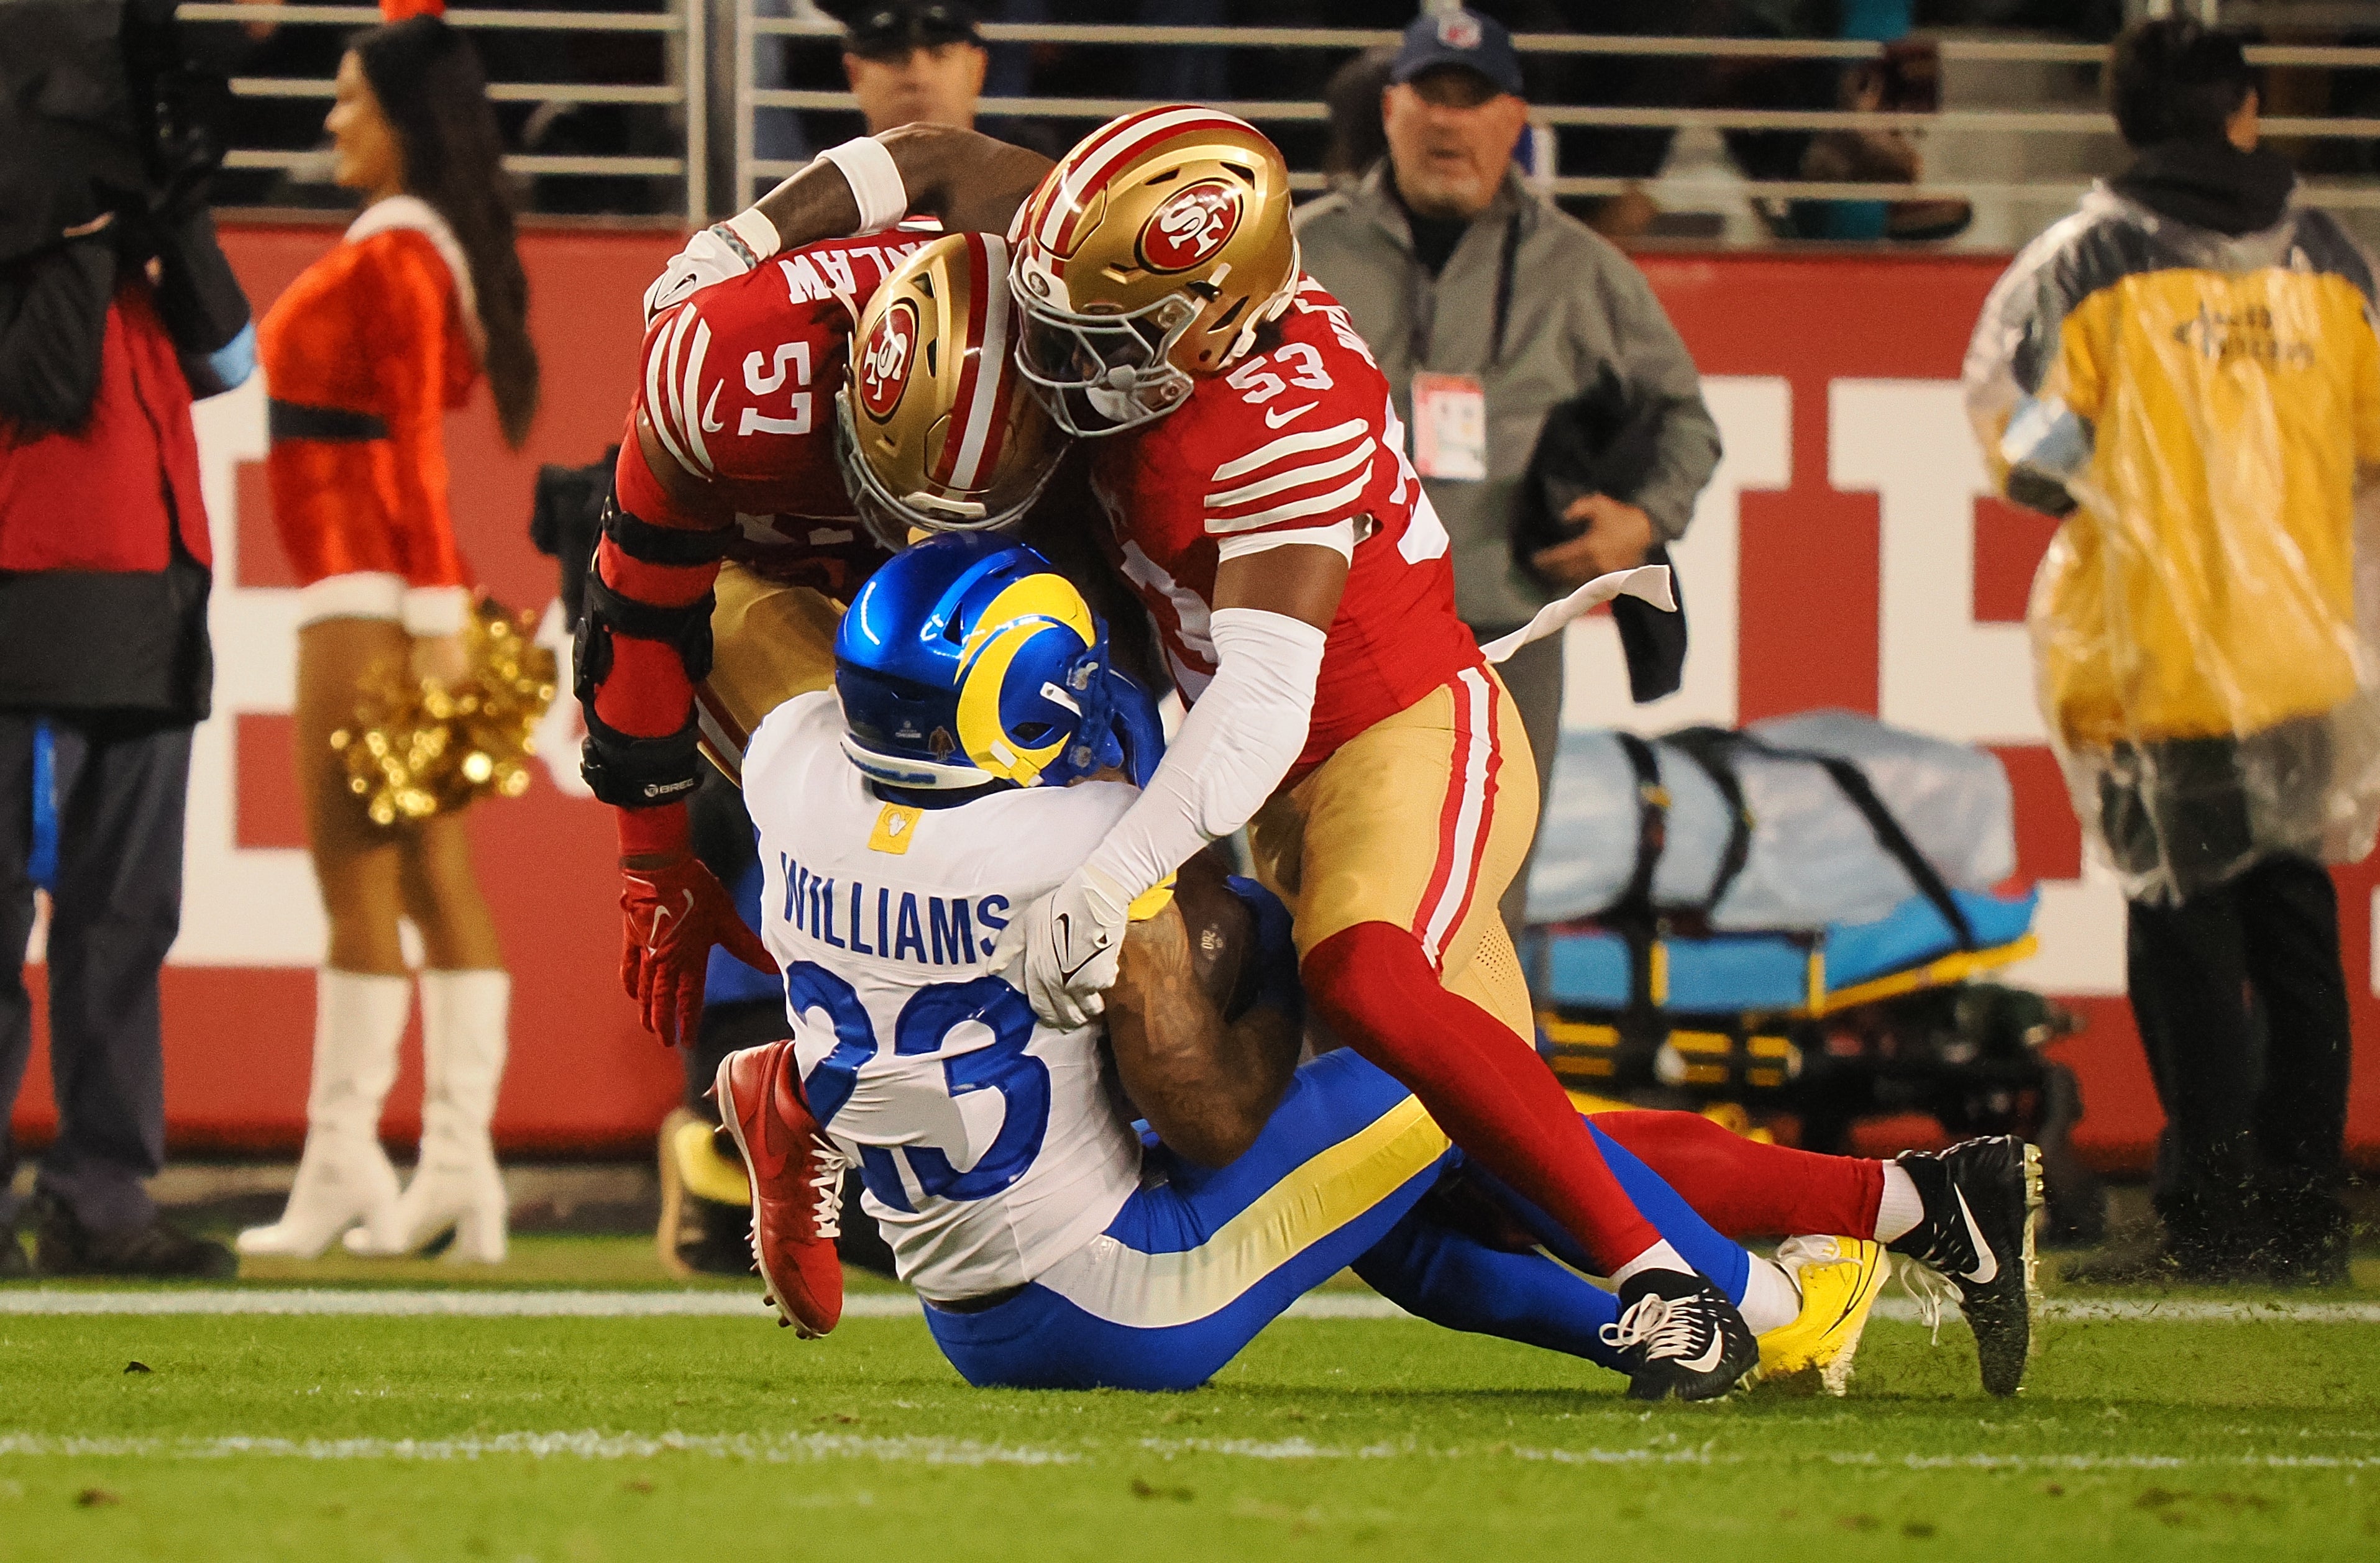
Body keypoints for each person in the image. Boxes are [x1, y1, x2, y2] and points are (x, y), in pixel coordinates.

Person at [716, 532, 2038, 1397]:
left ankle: (1891, 1216)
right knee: (1450, 1084)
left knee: (1407, 1219)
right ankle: (1764, 1296)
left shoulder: (794, 777)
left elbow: (727, 615)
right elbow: (1211, 1110)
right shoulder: (1080, 840)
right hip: (1120, 1289)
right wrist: (1244, 932)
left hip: (975, 1311)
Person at [1964, 16, 2376, 1285]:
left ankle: (2211, 1213)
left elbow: (2018, 441)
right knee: (2299, 933)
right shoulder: (2326, 256)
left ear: (2127, 119)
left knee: (2186, 935)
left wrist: (2133, 485)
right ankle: (2304, 1213)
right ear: (2246, 108)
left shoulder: (2088, 259)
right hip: (2301, 650)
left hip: (2158, 651)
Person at [1294, 7, 1722, 938]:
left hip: (1504, 639)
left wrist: (1641, 523)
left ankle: (1458, 1091)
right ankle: (1323, 1091)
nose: (1450, 123)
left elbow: (1686, 421)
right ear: (1392, 108)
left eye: (1473, 100)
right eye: (1431, 99)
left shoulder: (1579, 270)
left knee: (1479, 915)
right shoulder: (1302, 252)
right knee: (1315, 902)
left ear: (1512, 119)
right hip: (1329, 632)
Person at [236, 7, 540, 1264]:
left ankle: (346, 1160)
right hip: (386, 593)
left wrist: (425, 623)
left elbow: (416, 448)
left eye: (351, 97)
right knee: (425, 881)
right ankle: (458, 1175)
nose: (330, 119)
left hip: (369, 599)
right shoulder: (416, 252)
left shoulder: (395, 261)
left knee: (355, 885)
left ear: (405, 121)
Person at [0, 0, 253, 1281]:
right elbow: (45, 385)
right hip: (34, 615)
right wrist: (78, 233)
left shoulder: (131, 247)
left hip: (154, 611)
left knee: (123, 924)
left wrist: (168, 216)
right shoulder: (36, 251)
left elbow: (233, 355)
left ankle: (100, 1200)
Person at [842, 1, 989, 137]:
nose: (919, 79)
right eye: (894, 57)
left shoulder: (1010, 165)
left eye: (940, 54)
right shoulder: (825, 165)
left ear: (975, 71)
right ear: (856, 75)